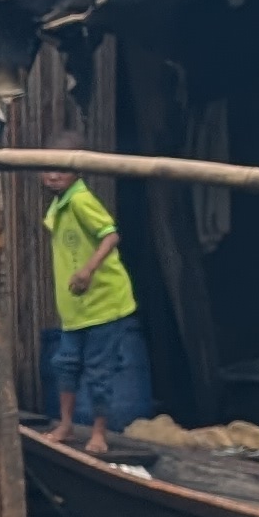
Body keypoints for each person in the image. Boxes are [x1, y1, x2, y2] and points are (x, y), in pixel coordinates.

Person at [40, 173, 155, 453]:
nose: (53, 176)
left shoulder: (81, 200)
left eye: (61, 169)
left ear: (76, 172)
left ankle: (99, 433)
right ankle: (66, 426)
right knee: (65, 364)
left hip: (104, 304)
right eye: (48, 169)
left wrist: (88, 270)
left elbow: (110, 235)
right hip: (77, 309)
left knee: (98, 370)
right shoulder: (60, 204)